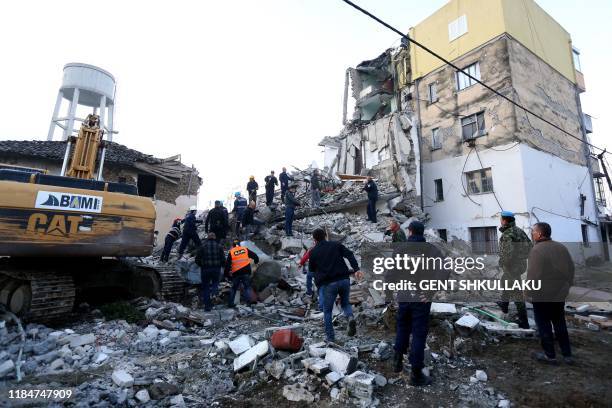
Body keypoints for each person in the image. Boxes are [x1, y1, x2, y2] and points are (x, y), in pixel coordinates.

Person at [392, 221, 444, 386]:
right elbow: (444, 270)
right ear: (422, 233)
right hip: (421, 296)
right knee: (419, 333)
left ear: (410, 232)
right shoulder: (431, 250)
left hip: (404, 294)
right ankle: (416, 374)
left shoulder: (400, 249)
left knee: (402, 327)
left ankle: (397, 361)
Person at [525, 222, 575, 365]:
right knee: (560, 323)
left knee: (544, 325)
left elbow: (533, 275)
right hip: (559, 294)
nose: (532, 234)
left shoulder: (537, 250)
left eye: (533, 231)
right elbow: (571, 268)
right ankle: (567, 355)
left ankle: (550, 355)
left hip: (542, 295)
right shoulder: (561, 247)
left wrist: (527, 292)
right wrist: (567, 285)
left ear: (539, 234)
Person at [308, 228, 363, 342]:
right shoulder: (336, 245)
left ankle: (330, 338)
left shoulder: (313, 252)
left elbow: (311, 270)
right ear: (325, 236)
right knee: (345, 303)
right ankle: (350, 317)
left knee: (327, 311)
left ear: (314, 239)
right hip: (344, 280)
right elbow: (350, 254)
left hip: (328, 284)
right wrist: (356, 269)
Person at [497, 210, 532, 329]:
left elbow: (507, 255)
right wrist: (521, 257)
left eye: (501, 219)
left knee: (516, 293)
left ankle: (524, 321)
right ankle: (504, 305)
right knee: (504, 282)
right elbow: (530, 247)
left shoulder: (507, 234)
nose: (500, 221)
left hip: (511, 267)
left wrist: (502, 263)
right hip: (520, 265)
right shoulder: (520, 231)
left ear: (505, 220)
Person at [195, 232, 225, 311]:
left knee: (206, 287)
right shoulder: (219, 246)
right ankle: (214, 294)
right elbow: (223, 260)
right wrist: (221, 266)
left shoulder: (202, 246)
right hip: (216, 269)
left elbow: (197, 259)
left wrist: (201, 265)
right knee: (215, 283)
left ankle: (207, 307)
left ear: (208, 238)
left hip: (205, 269)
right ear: (215, 238)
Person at [225, 239, 259, 308]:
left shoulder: (231, 252)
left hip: (236, 273)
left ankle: (230, 303)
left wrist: (227, 274)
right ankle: (249, 303)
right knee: (247, 287)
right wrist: (256, 262)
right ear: (240, 244)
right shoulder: (245, 249)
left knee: (234, 288)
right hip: (246, 271)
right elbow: (255, 256)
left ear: (233, 245)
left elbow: (227, 264)